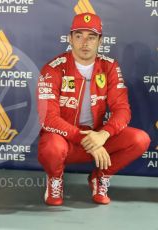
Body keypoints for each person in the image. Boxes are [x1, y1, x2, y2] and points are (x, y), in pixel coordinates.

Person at [36, 13, 151, 206]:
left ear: (100, 40)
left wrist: (103, 135)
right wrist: (87, 139)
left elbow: (122, 110)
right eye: (79, 35)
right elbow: (48, 118)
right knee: (51, 147)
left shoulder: (110, 66)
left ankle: (100, 177)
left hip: (97, 138)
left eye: (91, 37)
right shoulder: (53, 69)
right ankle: (55, 179)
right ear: (70, 38)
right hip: (66, 140)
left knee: (140, 139)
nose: (85, 42)